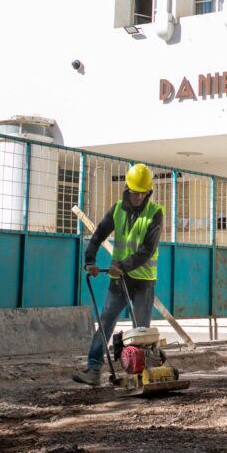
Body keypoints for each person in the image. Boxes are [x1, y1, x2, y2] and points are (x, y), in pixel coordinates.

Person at [73, 163, 163, 386]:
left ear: (149, 191)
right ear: (128, 189)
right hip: (118, 279)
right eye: (135, 192)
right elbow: (98, 235)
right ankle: (93, 369)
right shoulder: (117, 210)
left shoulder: (156, 213)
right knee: (105, 323)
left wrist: (122, 265)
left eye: (143, 193)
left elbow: (147, 250)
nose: (139, 197)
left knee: (141, 330)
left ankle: (145, 371)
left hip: (143, 280)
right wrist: (90, 262)